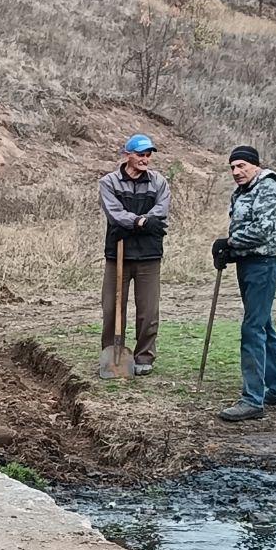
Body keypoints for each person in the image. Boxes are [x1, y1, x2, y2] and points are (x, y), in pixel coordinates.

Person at [212, 145, 276, 421]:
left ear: (255, 165)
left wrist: (230, 243)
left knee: (252, 329)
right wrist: (230, 253)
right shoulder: (241, 192)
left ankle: (252, 400)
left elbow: (263, 229)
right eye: (232, 167)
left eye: (241, 166)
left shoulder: (267, 186)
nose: (236, 171)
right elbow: (243, 228)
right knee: (263, 325)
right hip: (248, 265)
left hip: (263, 265)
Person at [98, 134, 171, 375]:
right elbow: (114, 213)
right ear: (127, 154)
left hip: (149, 255)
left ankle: (144, 357)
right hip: (117, 254)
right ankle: (111, 354)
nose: (145, 159)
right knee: (111, 308)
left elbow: (160, 212)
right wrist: (140, 222)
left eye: (148, 155)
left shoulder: (159, 182)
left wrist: (136, 223)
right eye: (140, 154)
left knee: (148, 311)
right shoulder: (109, 182)